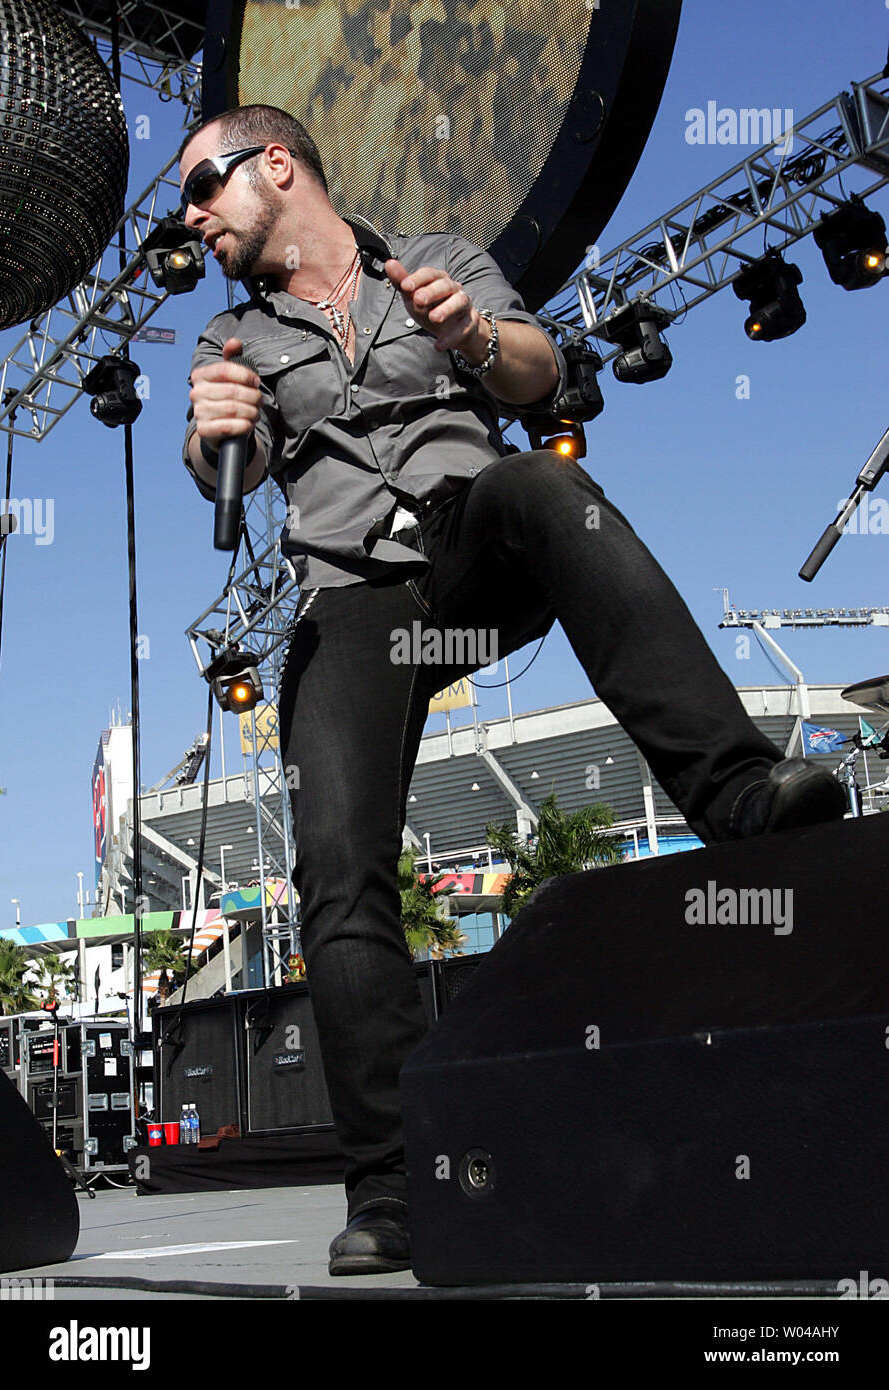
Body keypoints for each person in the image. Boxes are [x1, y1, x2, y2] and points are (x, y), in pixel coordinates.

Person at [180, 105, 845, 1276]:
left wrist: (476, 338)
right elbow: (212, 457)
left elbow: (541, 375)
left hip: (469, 548)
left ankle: (736, 795)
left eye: (202, 188)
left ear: (273, 165)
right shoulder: (228, 335)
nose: (192, 219)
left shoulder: (438, 257)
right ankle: (391, 1187)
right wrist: (213, 432)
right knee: (337, 866)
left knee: (543, 487)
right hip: (352, 597)